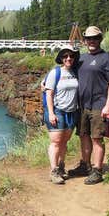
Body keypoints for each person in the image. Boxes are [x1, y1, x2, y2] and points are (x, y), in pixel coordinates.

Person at [67, 26, 109, 185]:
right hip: (82, 106)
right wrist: (46, 81)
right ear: (85, 40)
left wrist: (108, 105)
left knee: (97, 138)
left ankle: (97, 170)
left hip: (99, 105)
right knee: (83, 135)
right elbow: (66, 69)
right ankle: (85, 165)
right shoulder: (81, 59)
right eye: (89, 38)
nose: (91, 41)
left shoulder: (108, 59)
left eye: (95, 38)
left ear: (100, 39)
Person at [43, 45, 80, 184]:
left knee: (64, 141)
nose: (68, 58)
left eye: (71, 56)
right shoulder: (55, 72)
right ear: (61, 58)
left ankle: (61, 167)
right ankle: (54, 171)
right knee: (56, 142)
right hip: (57, 111)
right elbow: (49, 93)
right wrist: (51, 113)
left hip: (72, 111)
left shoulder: (75, 72)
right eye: (65, 56)